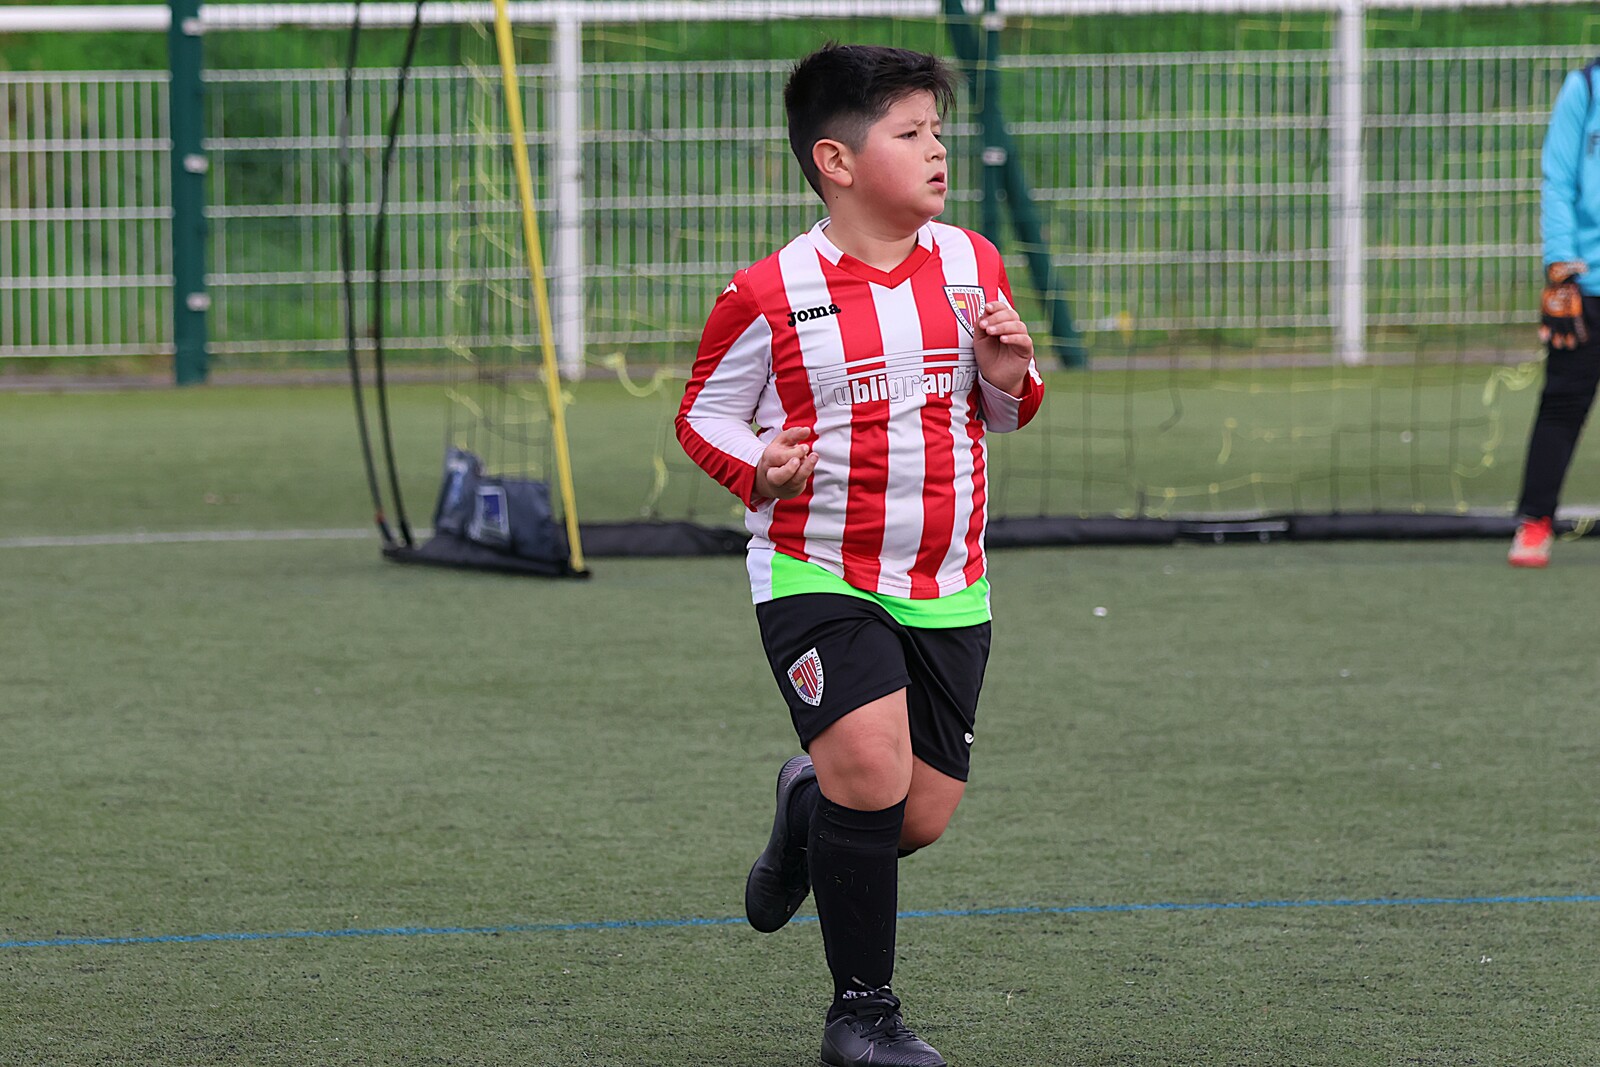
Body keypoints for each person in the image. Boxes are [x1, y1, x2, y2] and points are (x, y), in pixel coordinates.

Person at [675, 43, 1045, 1067]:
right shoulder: (767, 292)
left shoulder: (972, 263)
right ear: (835, 161)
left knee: (915, 815)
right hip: (816, 569)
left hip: (949, 580)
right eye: (910, 133)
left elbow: (1003, 412)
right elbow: (703, 415)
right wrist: (760, 469)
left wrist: (1009, 374)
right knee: (873, 771)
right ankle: (863, 1017)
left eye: (937, 131)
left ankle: (804, 805)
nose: (937, 151)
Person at [1511, 60, 1600, 568]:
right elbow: (1559, 181)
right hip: (1586, 287)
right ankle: (1534, 522)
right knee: (1563, 405)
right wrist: (1561, 271)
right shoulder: (1584, 88)